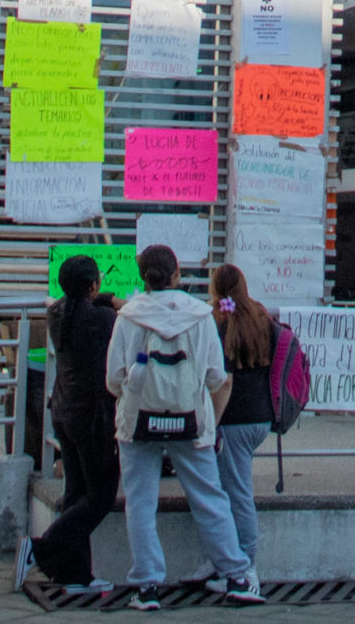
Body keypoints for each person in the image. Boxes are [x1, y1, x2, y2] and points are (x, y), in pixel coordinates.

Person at [105, 245, 262, 608]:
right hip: (192, 421)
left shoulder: (129, 316)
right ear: (177, 274)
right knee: (209, 497)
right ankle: (237, 575)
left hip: (137, 421)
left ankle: (146, 586)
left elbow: (114, 378)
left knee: (140, 503)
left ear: (143, 276)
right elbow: (215, 376)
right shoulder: (200, 316)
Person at [23, 253, 121, 597]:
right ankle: (41, 548)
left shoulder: (56, 313)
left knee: (76, 494)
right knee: (100, 498)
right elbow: (113, 316)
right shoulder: (103, 321)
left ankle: (76, 575)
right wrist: (111, 301)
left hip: (63, 412)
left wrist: (104, 298)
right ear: (94, 285)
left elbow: (91, 303)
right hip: (92, 419)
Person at [208, 265, 276, 586]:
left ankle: (246, 570)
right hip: (261, 417)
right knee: (234, 491)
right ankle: (233, 565)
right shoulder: (261, 316)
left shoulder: (220, 324)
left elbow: (224, 382)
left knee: (237, 494)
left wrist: (211, 424)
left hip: (233, 421)